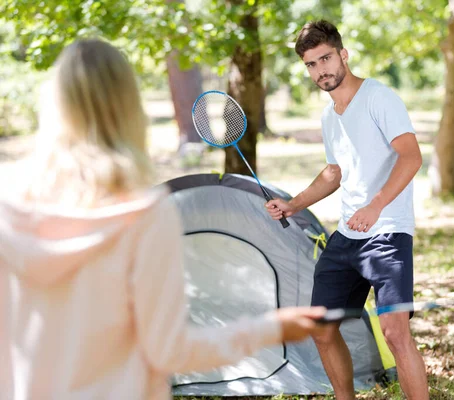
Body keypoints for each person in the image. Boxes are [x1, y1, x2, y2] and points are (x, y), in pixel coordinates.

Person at [0, 38, 326, 400]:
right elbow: (170, 350)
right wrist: (268, 328)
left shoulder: (9, 209)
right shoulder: (143, 215)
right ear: (127, 108)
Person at [265, 20, 429, 400]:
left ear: (343, 54)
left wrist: (375, 205)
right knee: (322, 328)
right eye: (311, 64)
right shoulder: (329, 116)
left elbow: (411, 156)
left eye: (325, 58)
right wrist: (293, 204)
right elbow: (335, 173)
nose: (321, 70)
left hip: (387, 230)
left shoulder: (378, 98)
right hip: (348, 236)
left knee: (395, 332)